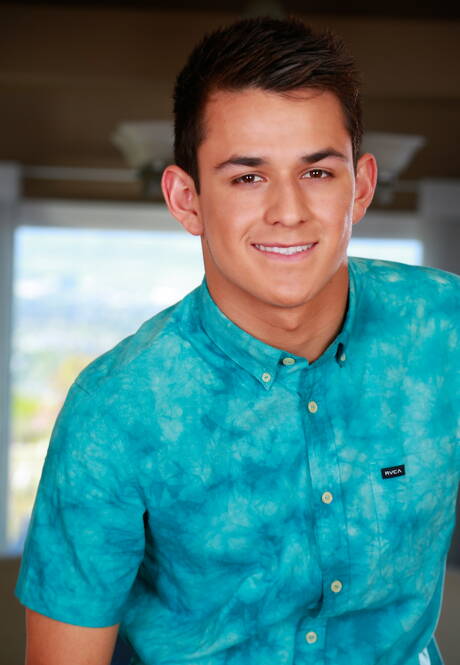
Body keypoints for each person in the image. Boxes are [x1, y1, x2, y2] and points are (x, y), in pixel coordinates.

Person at [15, 16, 459, 665]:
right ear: (186, 199)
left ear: (361, 187)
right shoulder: (115, 409)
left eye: (317, 172)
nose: (289, 211)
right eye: (247, 177)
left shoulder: (444, 329)